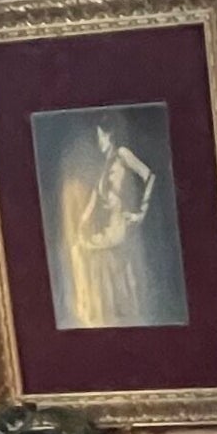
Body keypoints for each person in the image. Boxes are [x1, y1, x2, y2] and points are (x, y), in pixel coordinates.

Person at [53, 119, 167, 329]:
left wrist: (142, 211)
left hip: (120, 227)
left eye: (101, 136)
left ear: (110, 134)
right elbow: (92, 201)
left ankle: (108, 313)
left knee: (86, 249)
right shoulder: (104, 169)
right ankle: (105, 316)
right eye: (97, 137)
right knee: (80, 247)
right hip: (109, 228)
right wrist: (79, 226)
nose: (99, 141)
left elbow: (149, 175)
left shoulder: (122, 154)